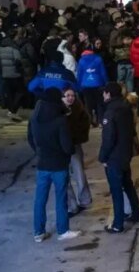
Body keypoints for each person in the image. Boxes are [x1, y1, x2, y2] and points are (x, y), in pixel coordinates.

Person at [28, 88, 81, 242]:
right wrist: (68, 152)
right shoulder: (60, 120)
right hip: (59, 164)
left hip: (42, 164)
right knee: (61, 197)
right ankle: (63, 230)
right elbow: (67, 146)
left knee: (40, 199)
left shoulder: (35, 118)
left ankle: (38, 232)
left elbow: (30, 139)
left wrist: (39, 152)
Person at [99, 83, 139, 233]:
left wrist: (103, 157)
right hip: (125, 154)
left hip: (114, 157)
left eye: (104, 93)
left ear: (108, 94)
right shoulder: (126, 108)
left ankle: (117, 224)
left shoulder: (110, 112)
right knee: (128, 185)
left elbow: (108, 138)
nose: (103, 96)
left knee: (116, 190)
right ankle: (136, 214)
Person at [62, 86, 92, 217]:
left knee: (79, 173)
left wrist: (77, 136)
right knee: (64, 178)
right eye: (67, 96)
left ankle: (85, 200)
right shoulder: (58, 110)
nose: (70, 98)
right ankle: (72, 206)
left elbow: (85, 123)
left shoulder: (78, 108)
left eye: (72, 95)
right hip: (62, 148)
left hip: (74, 145)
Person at [76, 48, 108, 123]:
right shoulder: (98, 59)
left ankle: (89, 122)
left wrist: (79, 87)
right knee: (99, 103)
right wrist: (106, 83)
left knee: (88, 104)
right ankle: (100, 121)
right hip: (98, 84)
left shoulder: (81, 60)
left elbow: (79, 75)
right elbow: (103, 73)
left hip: (85, 85)